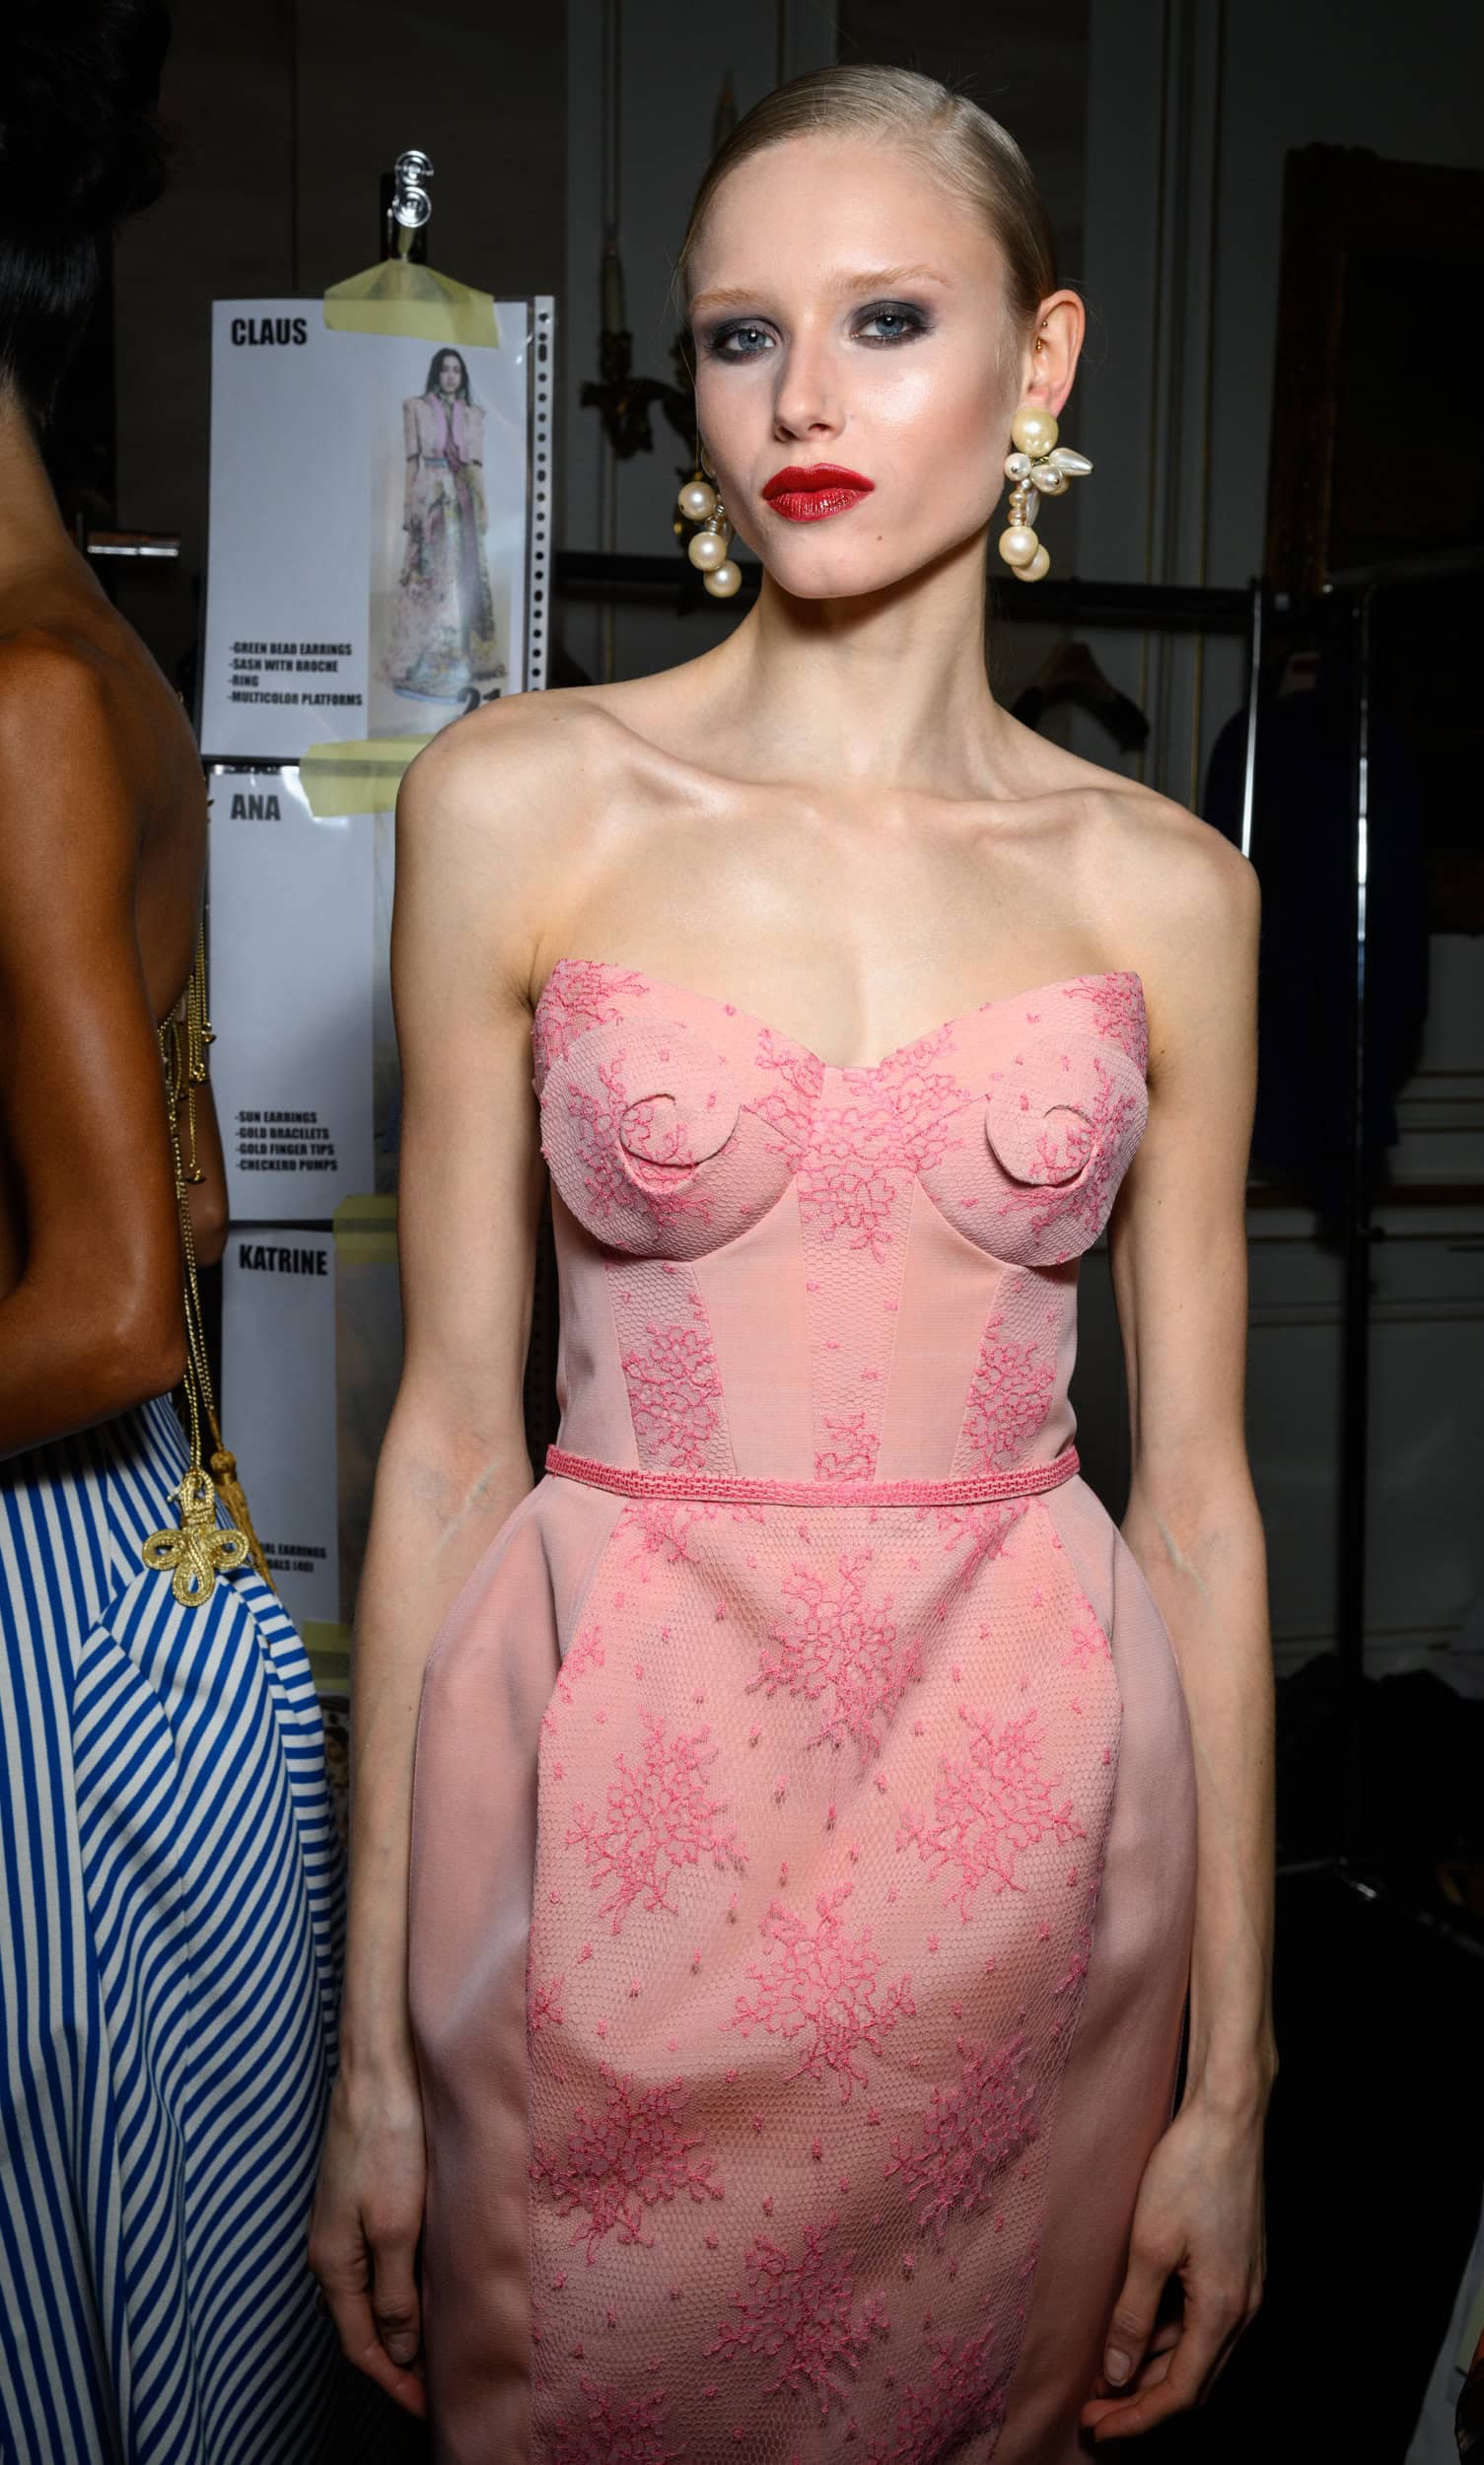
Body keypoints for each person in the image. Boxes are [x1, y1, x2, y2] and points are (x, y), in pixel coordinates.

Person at [310, 63, 1274, 2461]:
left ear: (1040, 361)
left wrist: (1228, 2086)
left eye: (885, 320)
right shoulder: (519, 802)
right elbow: (441, 1448)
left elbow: (1197, 1507)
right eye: (742, 337)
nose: (803, 402)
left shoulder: (1167, 889)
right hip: (604, 1841)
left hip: (1025, 1862)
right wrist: (369, 2062)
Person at [0, 6, 342, 2456]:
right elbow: (195, 1191)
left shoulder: (19, 692)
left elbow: (116, 1305)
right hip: (152, 1612)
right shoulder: (104, 659)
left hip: (50, 1643)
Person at [385, 346, 505, 709]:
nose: (450, 375)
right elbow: (412, 462)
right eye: (445, 369)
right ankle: (421, 657)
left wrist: (482, 509)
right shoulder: (416, 408)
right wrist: (410, 506)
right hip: (432, 495)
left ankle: (461, 657)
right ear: (436, 373)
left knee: (462, 576)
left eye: (456, 370)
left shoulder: (473, 414)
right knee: (428, 575)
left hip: (463, 496)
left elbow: (476, 466)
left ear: (462, 376)